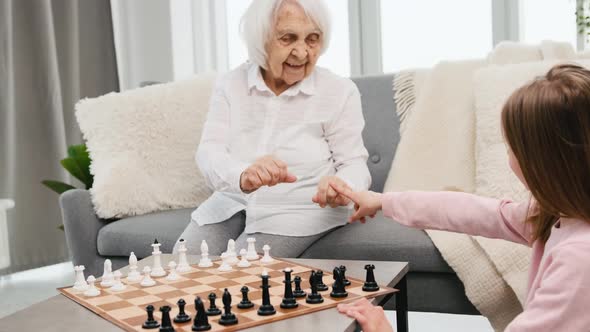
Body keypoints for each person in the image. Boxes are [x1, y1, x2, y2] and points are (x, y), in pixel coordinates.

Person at [332, 64, 590, 331]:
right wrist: (385, 201)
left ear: (542, 162)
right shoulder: (558, 214)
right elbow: (473, 211)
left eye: (512, 147)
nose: (509, 158)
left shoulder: (578, 260)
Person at [174, 0, 370, 257]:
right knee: (180, 265)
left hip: (298, 208)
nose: (301, 53)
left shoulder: (339, 91)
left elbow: (354, 163)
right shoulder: (231, 84)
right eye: (288, 39)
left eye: (312, 39)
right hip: (233, 200)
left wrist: (342, 187)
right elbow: (210, 151)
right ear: (260, 40)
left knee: (241, 276)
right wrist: (243, 175)